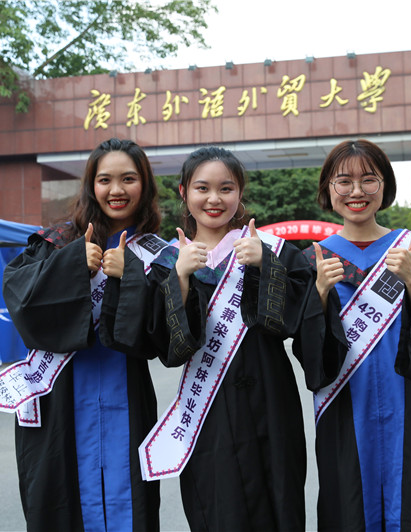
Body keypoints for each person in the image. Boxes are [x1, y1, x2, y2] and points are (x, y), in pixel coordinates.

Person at [109, 146, 335, 531]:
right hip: (207, 408)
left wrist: (267, 266)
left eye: (226, 188)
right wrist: (180, 279)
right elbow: (166, 346)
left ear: (240, 193)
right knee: (216, 502)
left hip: (270, 399)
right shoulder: (168, 261)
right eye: (202, 188)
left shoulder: (272, 250)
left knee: (278, 497)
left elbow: (297, 320)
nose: (214, 199)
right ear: (184, 192)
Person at [301, 139, 411, 531]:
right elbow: (308, 354)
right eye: (344, 181)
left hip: (410, 406)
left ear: (385, 186)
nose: (356, 191)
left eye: (369, 179)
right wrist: (319, 296)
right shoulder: (313, 262)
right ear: (329, 188)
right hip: (346, 407)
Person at [1, 138, 167, 532]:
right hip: (60, 397)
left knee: (130, 501)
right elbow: (19, 297)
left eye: (128, 179)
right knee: (61, 501)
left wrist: (130, 276)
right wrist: (73, 264)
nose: (116, 190)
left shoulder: (158, 252)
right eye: (105, 179)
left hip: (126, 391)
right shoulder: (59, 241)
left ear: (144, 184)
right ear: (91, 185)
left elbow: (163, 334)